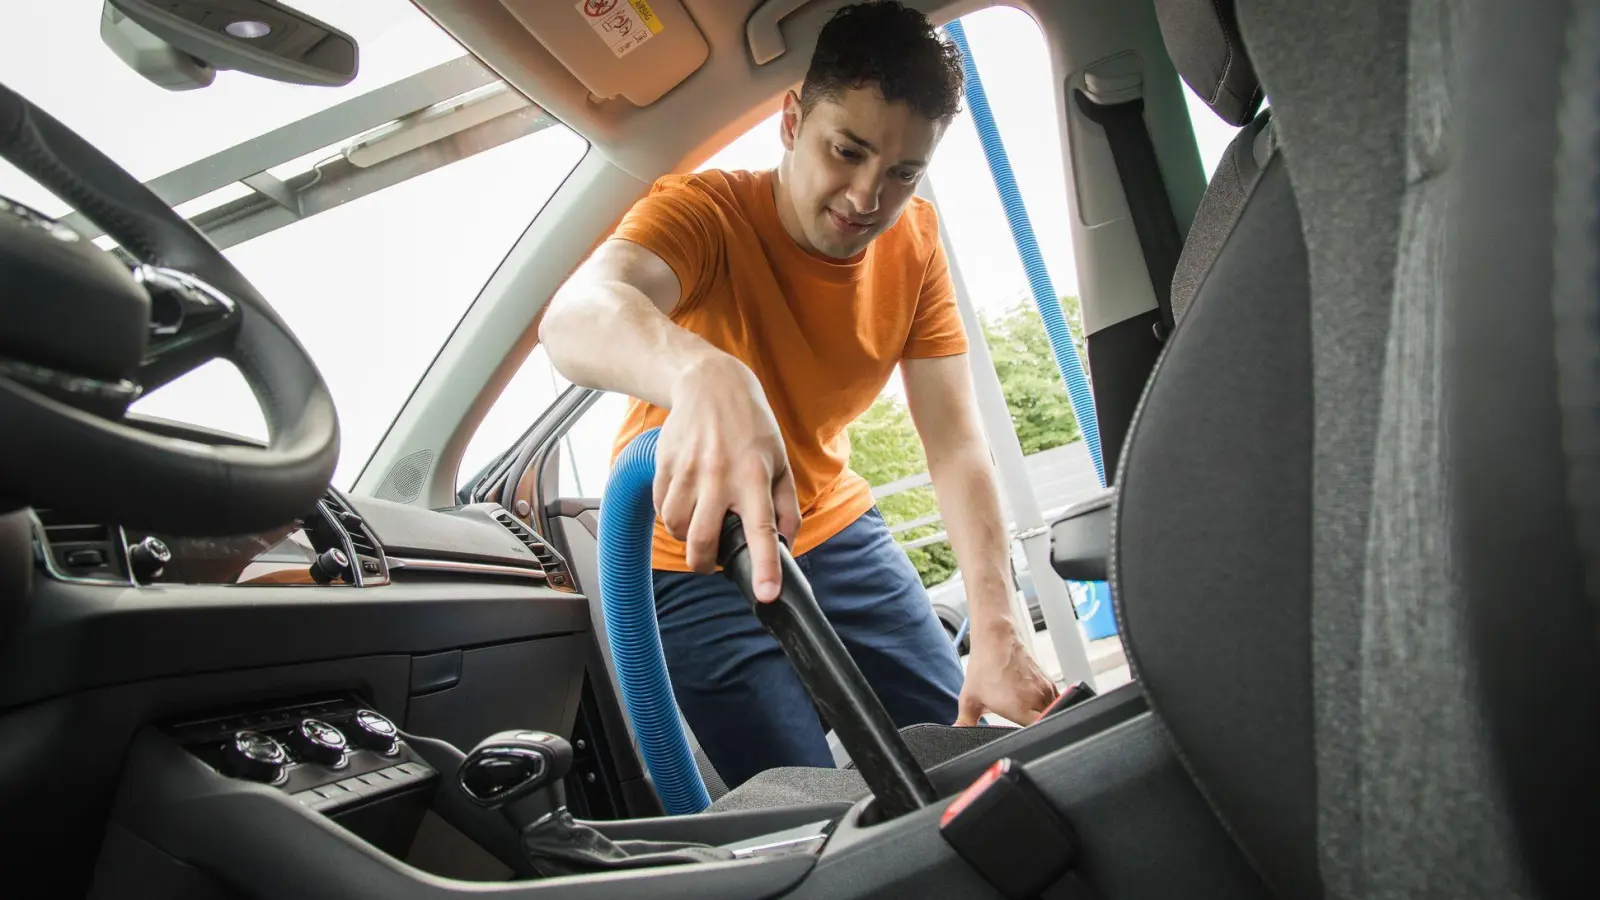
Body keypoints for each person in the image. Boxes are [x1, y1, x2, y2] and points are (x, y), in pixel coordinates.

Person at [540, 0, 1057, 790]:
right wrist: (701, 371)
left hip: (836, 530)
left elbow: (955, 445)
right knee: (812, 805)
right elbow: (576, 318)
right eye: (845, 151)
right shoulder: (705, 213)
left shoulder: (915, 244)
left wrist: (996, 620)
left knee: (967, 755)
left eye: (902, 172)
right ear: (791, 121)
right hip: (692, 556)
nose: (865, 197)